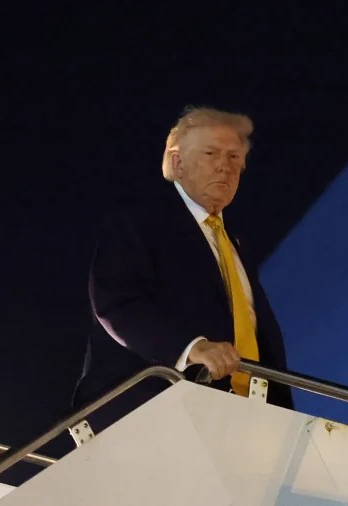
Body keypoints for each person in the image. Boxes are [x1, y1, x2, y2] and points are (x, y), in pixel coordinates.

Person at [73, 106, 293, 427]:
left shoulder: (233, 242)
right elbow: (117, 303)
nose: (224, 166)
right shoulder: (139, 223)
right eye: (210, 153)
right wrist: (191, 348)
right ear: (177, 162)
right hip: (152, 411)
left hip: (244, 419)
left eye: (234, 157)